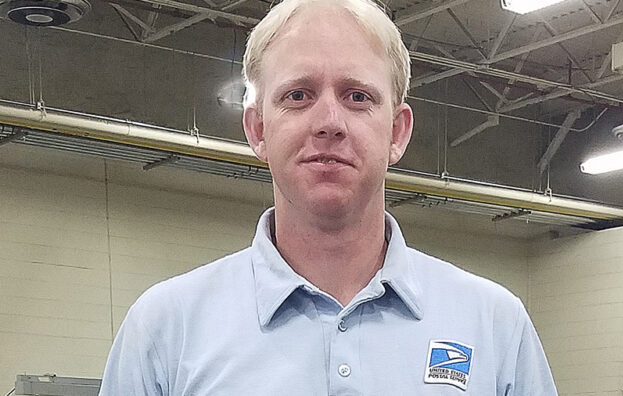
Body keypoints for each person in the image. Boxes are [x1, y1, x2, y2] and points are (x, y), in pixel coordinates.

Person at [99, 0, 558, 394]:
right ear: (257, 129)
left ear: (396, 132)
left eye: (357, 97)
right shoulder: (165, 330)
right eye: (298, 95)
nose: (329, 122)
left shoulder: (493, 326)